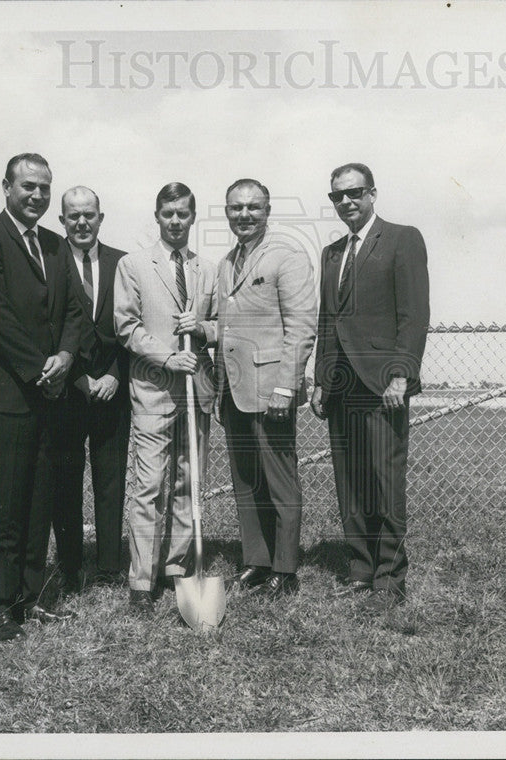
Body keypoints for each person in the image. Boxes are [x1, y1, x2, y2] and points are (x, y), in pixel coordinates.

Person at [0, 153, 82, 641]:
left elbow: (74, 310)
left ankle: (29, 599)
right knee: (1, 503)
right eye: (28, 186)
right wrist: (39, 369)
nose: (37, 195)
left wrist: (67, 357)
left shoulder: (56, 245)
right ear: (6, 187)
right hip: (2, 394)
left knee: (37, 502)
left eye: (44, 188)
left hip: (49, 392)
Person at [310, 162, 430, 612]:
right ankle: (360, 568)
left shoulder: (402, 239)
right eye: (338, 196)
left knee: (384, 480)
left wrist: (402, 372)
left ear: (373, 193)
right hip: (341, 388)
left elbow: (413, 315)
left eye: (355, 193)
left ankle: (390, 577)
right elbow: (328, 322)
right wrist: (322, 380)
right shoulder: (332, 253)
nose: (347, 202)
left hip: (383, 386)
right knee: (351, 480)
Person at [113, 182, 217, 613]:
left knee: (187, 481)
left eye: (184, 214)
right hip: (154, 388)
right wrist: (168, 356)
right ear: (157, 216)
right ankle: (142, 579)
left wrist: (204, 330)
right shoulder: (133, 265)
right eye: (168, 213)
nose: (176, 221)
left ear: (193, 218)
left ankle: (177, 567)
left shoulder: (208, 269)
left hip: (196, 391)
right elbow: (126, 325)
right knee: (150, 484)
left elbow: (220, 325)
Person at [216, 178, 317, 600]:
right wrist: (200, 328)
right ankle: (256, 561)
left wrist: (285, 388)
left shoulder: (287, 256)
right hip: (234, 390)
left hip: (270, 390)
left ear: (268, 209)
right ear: (226, 212)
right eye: (236, 208)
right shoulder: (226, 261)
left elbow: (301, 328)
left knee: (279, 480)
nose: (244, 215)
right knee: (246, 480)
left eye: (253, 207)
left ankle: (285, 569)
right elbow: (229, 324)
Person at [49, 186, 130, 594]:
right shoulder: (48, 261)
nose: (82, 222)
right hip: (67, 391)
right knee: (65, 479)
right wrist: (79, 379)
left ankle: (110, 565)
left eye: (89, 215)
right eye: (73, 216)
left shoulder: (123, 264)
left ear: (101, 217)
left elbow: (133, 326)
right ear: (61, 220)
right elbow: (46, 328)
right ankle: (70, 565)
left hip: (113, 390)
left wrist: (115, 374)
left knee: (111, 477)